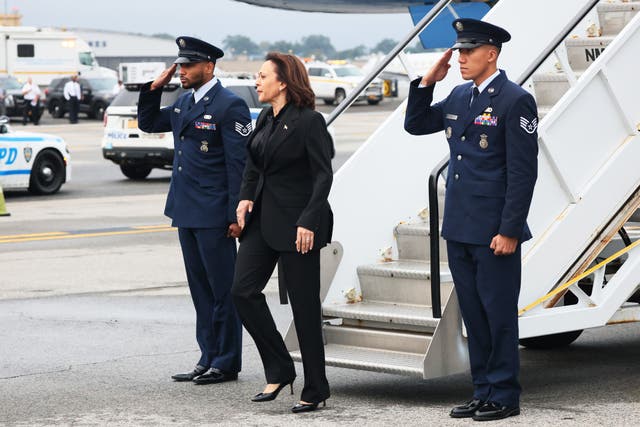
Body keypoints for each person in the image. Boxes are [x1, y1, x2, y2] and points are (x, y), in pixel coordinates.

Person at [404, 19, 538, 422]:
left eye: (468, 51)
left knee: (498, 314)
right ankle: (483, 390)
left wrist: (510, 230)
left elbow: (522, 173)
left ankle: (504, 395)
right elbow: (415, 124)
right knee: (474, 315)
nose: (460, 58)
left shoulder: (516, 100)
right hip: (460, 226)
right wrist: (427, 82)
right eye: (459, 51)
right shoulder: (460, 96)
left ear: (491, 53)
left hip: (494, 230)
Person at [137, 36, 250, 385]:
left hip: (215, 213)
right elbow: (148, 123)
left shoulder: (229, 105)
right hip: (186, 209)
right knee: (200, 291)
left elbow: (239, 164)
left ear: (209, 67)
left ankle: (227, 361)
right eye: (180, 65)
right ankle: (208, 355)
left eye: (188, 66)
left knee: (222, 291)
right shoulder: (184, 102)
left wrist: (236, 214)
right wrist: (153, 89)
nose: (181, 71)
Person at [231, 52, 334, 414]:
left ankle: (316, 387)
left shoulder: (309, 122)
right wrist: (245, 198)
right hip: (262, 221)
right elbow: (254, 165)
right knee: (242, 291)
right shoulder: (265, 117)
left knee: (305, 308)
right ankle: (280, 367)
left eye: (262, 76)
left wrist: (308, 220)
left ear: (283, 82)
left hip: (299, 225)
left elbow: (323, 175)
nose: (257, 82)